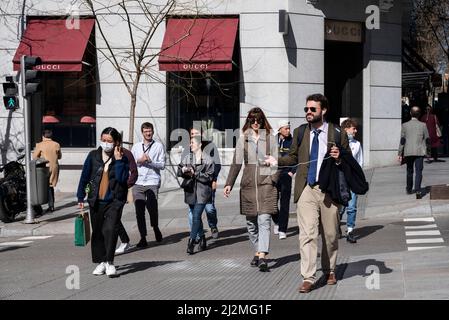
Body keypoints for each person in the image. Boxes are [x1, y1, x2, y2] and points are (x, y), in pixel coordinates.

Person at [266, 93, 350, 293]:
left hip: (329, 189)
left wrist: (339, 158)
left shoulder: (337, 133)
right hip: (306, 188)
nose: (308, 112)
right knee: (307, 234)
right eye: (306, 109)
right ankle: (308, 277)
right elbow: (293, 157)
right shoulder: (300, 132)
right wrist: (276, 160)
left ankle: (329, 270)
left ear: (324, 110)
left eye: (313, 109)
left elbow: (349, 162)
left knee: (330, 235)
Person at [224, 107, 279, 272]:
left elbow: (277, 162)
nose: (256, 123)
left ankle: (262, 256)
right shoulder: (243, 140)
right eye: (252, 120)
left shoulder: (270, 139)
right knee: (251, 224)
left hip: (266, 185)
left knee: (264, 220)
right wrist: (229, 183)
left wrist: (272, 179)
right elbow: (236, 163)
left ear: (263, 121)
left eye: (259, 120)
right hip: (248, 186)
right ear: (248, 121)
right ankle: (257, 250)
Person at [76, 127, 129, 277]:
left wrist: (118, 161)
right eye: (103, 140)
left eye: (109, 141)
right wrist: (80, 196)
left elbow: (122, 179)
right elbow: (85, 175)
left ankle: (110, 263)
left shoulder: (122, 157)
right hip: (95, 200)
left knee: (110, 230)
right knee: (98, 232)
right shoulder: (93, 156)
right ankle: (101, 262)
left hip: (114, 201)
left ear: (116, 142)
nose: (106, 143)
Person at [178, 135, 215, 254]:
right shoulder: (187, 157)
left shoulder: (208, 159)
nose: (190, 145)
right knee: (196, 217)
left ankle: (191, 241)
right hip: (190, 192)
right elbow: (179, 170)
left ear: (200, 145)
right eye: (190, 143)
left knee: (195, 216)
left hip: (203, 193)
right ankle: (203, 239)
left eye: (192, 143)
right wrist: (183, 171)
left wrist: (195, 174)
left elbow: (209, 177)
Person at [184, 127, 221, 242]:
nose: (194, 136)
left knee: (209, 209)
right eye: (192, 134)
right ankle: (197, 235)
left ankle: (213, 225)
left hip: (207, 184)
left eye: (196, 133)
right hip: (193, 186)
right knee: (192, 213)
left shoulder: (210, 146)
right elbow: (182, 165)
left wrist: (214, 179)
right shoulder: (189, 147)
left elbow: (217, 165)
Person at [131, 122, 166, 248]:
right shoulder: (135, 147)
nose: (148, 133)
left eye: (150, 131)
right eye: (145, 131)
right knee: (139, 211)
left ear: (153, 131)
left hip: (152, 181)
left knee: (152, 209)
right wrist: (139, 161)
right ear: (142, 132)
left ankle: (155, 227)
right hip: (138, 182)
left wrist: (150, 162)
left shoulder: (158, 146)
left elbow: (162, 165)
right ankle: (143, 237)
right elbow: (131, 165)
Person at [339, 118, 363, 243]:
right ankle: (336, 225)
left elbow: (360, 163)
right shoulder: (338, 144)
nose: (356, 130)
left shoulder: (357, 144)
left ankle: (350, 230)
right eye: (353, 128)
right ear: (346, 129)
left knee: (352, 206)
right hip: (341, 179)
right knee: (341, 206)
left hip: (352, 179)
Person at [398, 106, 430, 199]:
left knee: (409, 171)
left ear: (410, 114)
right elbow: (427, 139)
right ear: (419, 114)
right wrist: (428, 152)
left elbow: (402, 140)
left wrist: (400, 153)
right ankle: (418, 191)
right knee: (419, 171)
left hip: (408, 151)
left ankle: (408, 189)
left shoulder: (405, 125)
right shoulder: (423, 125)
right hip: (419, 151)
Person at [115, 133, 138, 255]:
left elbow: (134, 172)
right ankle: (123, 241)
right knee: (110, 218)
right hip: (106, 193)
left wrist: (125, 185)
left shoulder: (126, 154)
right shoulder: (104, 154)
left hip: (120, 192)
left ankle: (125, 241)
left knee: (114, 218)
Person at [272, 120, 295, 240]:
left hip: (286, 174)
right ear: (280, 129)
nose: (288, 130)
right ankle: (276, 221)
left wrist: (292, 171)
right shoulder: (273, 140)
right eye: (286, 128)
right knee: (272, 203)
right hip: (274, 174)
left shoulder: (292, 141)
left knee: (285, 203)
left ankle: (282, 229)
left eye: (289, 128)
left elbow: (297, 157)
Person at [33, 129, 62, 213]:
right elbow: (59, 156)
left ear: (43, 136)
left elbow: (35, 157)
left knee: (41, 187)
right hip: (54, 167)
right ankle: (51, 206)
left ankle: (41, 206)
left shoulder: (40, 145)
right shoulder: (56, 144)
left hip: (43, 168)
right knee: (50, 186)